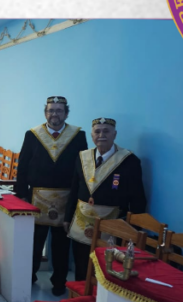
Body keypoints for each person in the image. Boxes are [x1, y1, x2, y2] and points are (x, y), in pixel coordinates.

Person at [13, 96, 89, 296]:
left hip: (66, 199)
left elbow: (83, 168)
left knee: (61, 245)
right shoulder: (33, 135)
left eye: (59, 110)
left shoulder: (78, 136)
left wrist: (79, 198)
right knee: (34, 243)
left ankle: (59, 282)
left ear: (66, 113)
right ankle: (29, 276)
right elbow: (23, 166)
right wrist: (21, 194)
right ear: (45, 113)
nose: (55, 114)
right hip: (37, 198)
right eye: (51, 110)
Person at [63, 118, 148, 279]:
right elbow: (74, 190)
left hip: (112, 225)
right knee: (81, 264)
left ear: (114, 134)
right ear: (92, 135)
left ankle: (99, 295)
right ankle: (80, 292)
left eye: (106, 131)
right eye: (97, 131)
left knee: (105, 268)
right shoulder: (82, 157)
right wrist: (68, 217)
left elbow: (137, 197)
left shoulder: (129, 160)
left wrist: (134, 229)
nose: (101, 135)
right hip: (82, 222)